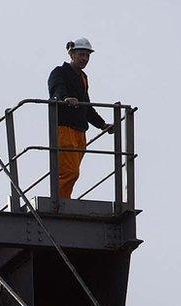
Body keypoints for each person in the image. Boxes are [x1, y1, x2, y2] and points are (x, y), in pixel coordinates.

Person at [47, 38, 114, 199]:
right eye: (81, 54)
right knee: (69, 171)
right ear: (71, 53)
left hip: (80, 131)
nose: (84, 58)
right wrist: (65, 98)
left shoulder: (83, 77)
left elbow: (87, 106)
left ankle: (63, 198)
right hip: (64, 128)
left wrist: (102, 124)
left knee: (72, 171)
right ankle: (60, 201)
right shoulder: (59, 72)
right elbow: (57, 89)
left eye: (87, 55)